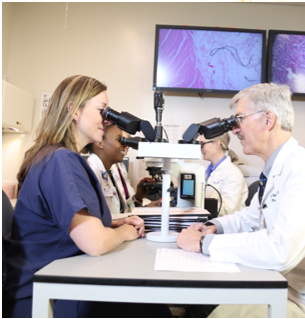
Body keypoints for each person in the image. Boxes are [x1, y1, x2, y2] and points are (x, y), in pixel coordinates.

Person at [177, 83, 305, 318]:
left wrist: (203, 244)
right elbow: (250, 218)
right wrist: (212, 227)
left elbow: (281, 248)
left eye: (239, 119)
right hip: (285, 288)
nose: (235, 130)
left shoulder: (304, 168)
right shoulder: (275, 169)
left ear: (268, 120)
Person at [2, 75, 171, 318]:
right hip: (47, 293)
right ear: (74, 111)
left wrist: (112, 223)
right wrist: (127, 232)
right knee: (154, 307)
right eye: (102, 110)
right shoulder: (61, 160)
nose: (107, 119)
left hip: (58, 278)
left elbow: (59, 223)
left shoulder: (56, 157)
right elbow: (94, 243)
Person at [85, 126, 161, 214]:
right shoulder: (91, 172)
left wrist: (138, 198)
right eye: (119, 139)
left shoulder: (107, 171)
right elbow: (92, 219)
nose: (125, 144)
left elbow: (120, 210)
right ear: (100, 143)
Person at [200, 132, 248, 217]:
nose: (201, 148)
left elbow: (228, 209)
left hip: (228, 227)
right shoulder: (207, 172)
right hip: (211, 221)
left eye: (203, 144)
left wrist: (199, 204)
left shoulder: (233, 173)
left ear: (217, 144)